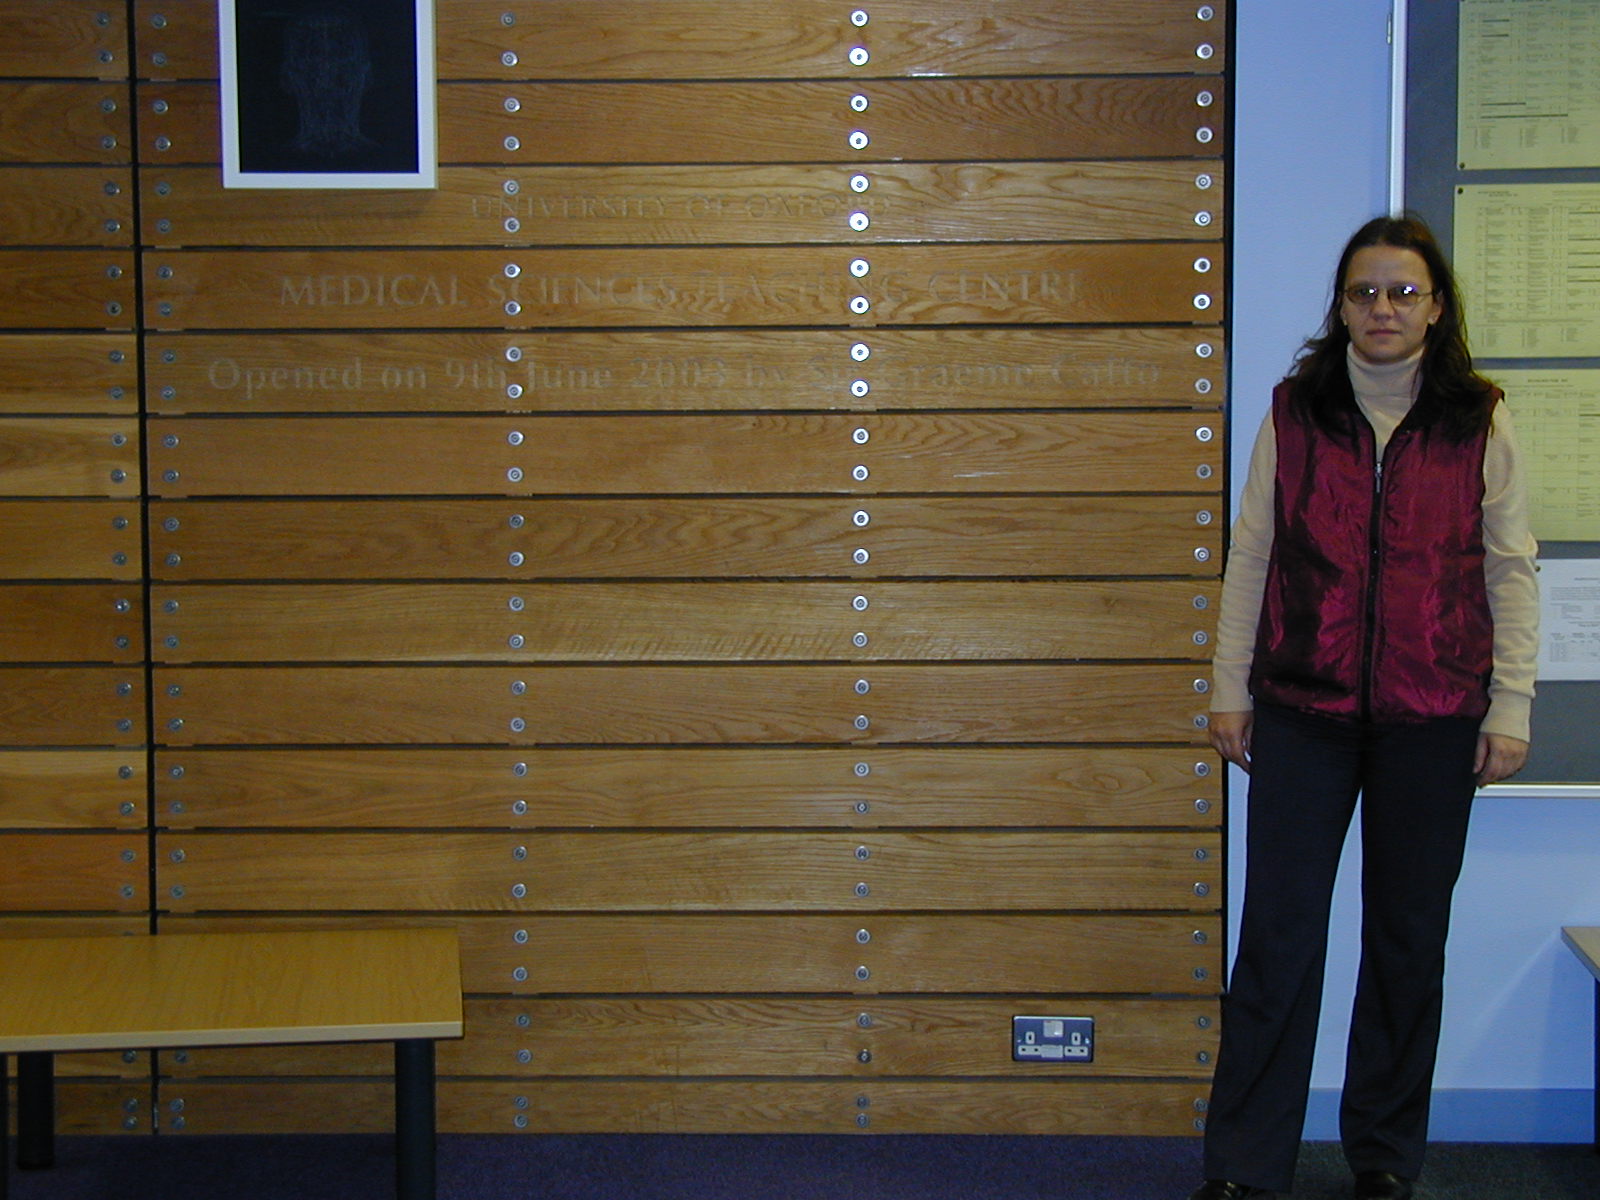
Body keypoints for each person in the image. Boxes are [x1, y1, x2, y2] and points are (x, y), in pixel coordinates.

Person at [1186, 215, 1539, 1200]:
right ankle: (1245, 1165)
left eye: (1402, 292)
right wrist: (1228, 688)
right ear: (1341, 307)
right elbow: (1252, 554)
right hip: (1304, 711)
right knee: (1278, 940)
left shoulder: (1478, 418)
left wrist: (1509, 705)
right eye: (1364, 292)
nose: (1382, 308)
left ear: (1436, 307)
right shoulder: (1296, 412)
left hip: (1434, 714)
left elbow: (1510, 569)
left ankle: (1382, 1158)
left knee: (1405, 943)